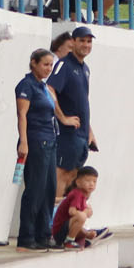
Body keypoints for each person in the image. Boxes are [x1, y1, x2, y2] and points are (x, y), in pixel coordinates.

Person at [15, 48, 80, 251]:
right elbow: (22, 115)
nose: (48, 69)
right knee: (35, 188)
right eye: (45, 64)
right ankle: (26, 236)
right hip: (36, 140)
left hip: (51, 140)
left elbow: (55, 109)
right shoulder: (26, 86)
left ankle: (44, 234)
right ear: (33, 63)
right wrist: (23, 142)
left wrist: (64, 119)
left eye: (51, 65)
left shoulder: (45, 88)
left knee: (49, 188)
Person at [48, 26, 95, 199]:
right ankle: (51, 221)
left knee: (74, 176)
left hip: (81, 134)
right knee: (62, 174)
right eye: (82, 40)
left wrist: (89, 130)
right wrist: (62, 117)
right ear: (73, 42)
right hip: (67, 134)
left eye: (89, 41)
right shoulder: (64, 65)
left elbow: (81, 101)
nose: (86, 45)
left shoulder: (85, 68)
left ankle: (63, 221)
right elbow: (50, 89)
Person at [51, 166, 111, 249]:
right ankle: (69, 241)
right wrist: (85, 212)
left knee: (82, 218)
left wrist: (87, 211)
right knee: (81, 216)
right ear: (78, 182)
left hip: (66, 229)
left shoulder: (83, 195)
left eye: (94, 181)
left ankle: (86, 237)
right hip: (59, 232)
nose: (91, 184)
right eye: (88, 181)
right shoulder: (77, 194)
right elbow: (72, 211)